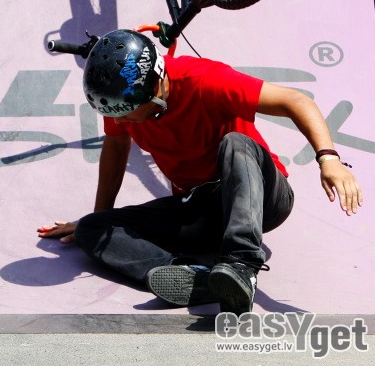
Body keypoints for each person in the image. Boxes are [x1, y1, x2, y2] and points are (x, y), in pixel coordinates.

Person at [38, 29, 363, 314]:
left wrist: (329, 159)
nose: (119, 121)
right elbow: (116, 147)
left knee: (237, 143)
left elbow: (295, 100)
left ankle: (241, 265)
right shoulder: (121, 101)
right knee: (93, 229)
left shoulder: (204, 80)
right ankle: (199, 279)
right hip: (201, 209)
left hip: (262, 196)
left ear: (156, 86)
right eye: (115, 114)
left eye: (127, 113)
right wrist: (102, 217)